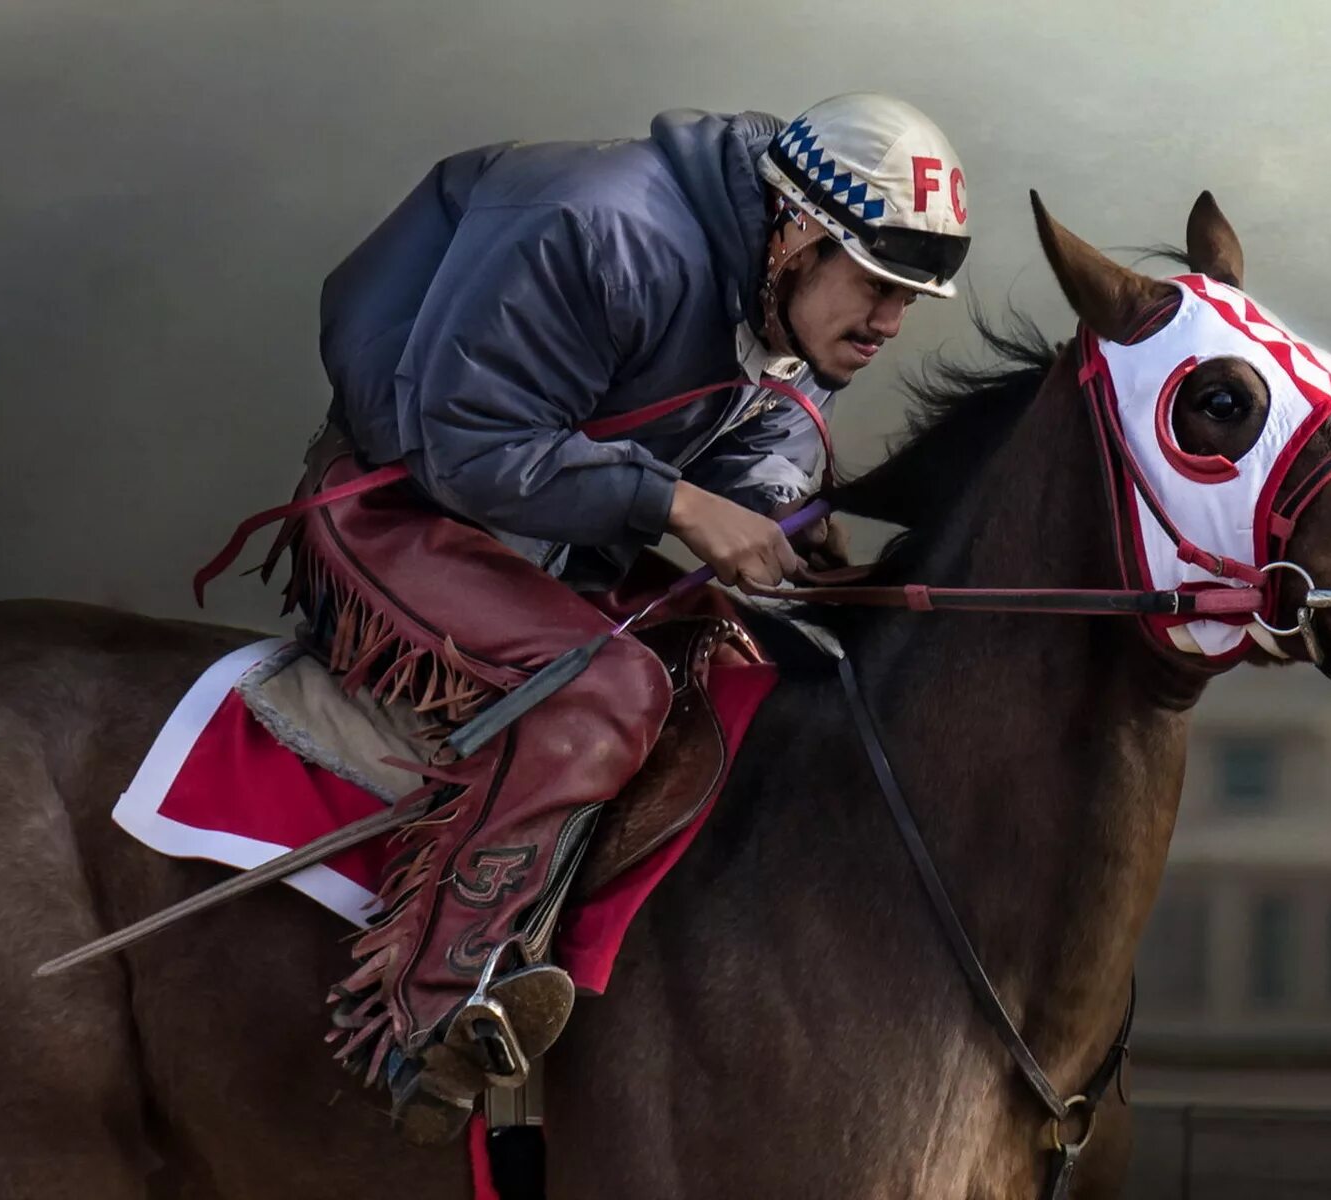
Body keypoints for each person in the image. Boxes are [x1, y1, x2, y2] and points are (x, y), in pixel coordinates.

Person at [289, 91, 971, 1133]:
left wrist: (779, 510)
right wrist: (683, 506)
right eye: (876, 284)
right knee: (605, 693)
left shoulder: (783, 292)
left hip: (558, 538)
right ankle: (427, 1020)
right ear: (795, 229)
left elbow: (772, 424)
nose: (888, 322)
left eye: (909, 298)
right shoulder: (599, 225)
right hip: (398, 504)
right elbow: (466, 440)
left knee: (753, 657)